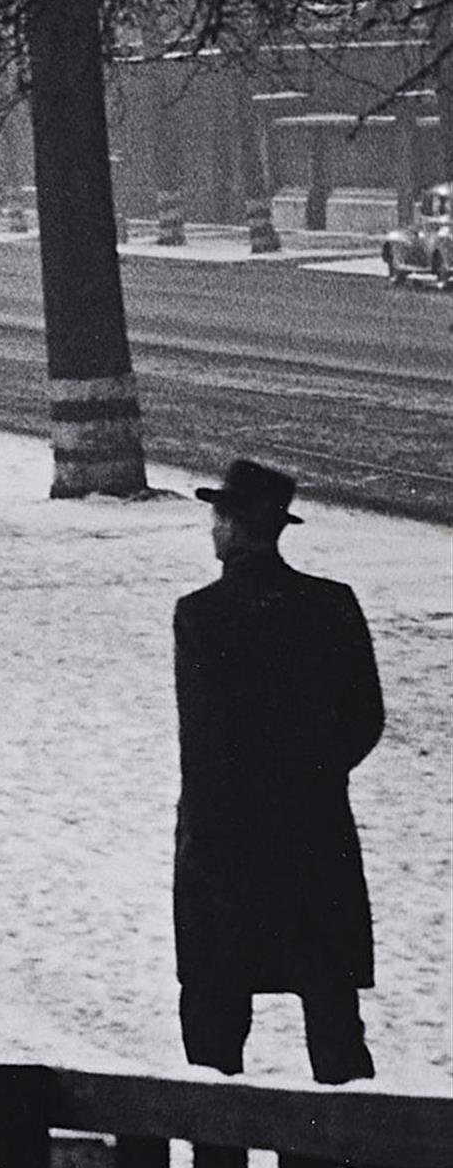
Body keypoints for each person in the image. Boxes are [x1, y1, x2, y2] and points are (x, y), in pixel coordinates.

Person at [174, 457, 384, 1081]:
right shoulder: (332, 604)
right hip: (315, 829)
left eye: (218, 519)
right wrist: (315, 774)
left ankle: (215, 1126)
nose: (213, 530)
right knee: (329, 995)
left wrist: (205, 833)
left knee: (216, 997)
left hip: (229, 835)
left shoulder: (202, 614)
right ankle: (354, 1123)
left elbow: (204, 740)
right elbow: (366, 717)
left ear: (235, 526)